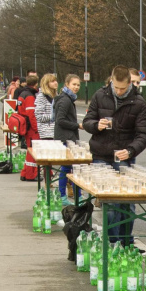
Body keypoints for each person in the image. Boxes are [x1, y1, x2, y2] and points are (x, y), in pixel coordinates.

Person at [82, 65, 146, 245]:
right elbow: (86, 122)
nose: (119, 91)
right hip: (101, 154)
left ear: (129, 84)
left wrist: (130, 151)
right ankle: (113, 243)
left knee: (128, 203)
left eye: (123, 88)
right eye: (116, 87)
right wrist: (96, 125)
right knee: (111, 203)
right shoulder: (99, 95)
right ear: (111, 80)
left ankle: (126, 242)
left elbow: (142, 136)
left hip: (124, 156)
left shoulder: (139, 103)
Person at [54, 74, 83, 205]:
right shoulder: (65, 100)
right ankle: (64, 196)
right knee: (68, 168)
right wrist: (78, 125)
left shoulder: (67, 99)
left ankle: (73, 196)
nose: (76, 87)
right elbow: (60, 120)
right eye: (74, 84)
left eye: (78, 85)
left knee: (70, 168)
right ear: (66, 84)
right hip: (66, 139)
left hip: (67, 138)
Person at [16, 75, 40, 181]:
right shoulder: (30, 96)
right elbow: (32, 114)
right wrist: (36, 128)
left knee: (29, 150)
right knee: (32, 151)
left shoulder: (22, 93)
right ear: (36, 84)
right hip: (30, 128)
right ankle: (31, 175)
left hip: (24, 125)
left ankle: (25, 173)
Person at [34, 73, 58, 139]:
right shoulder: (41, 97)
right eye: (52, 81)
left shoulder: (56, 96)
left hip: (56, 132)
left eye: (56, 81)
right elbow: (39, 116)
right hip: (46, 133)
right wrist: (53, 116)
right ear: (46, 83)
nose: (56, 83)